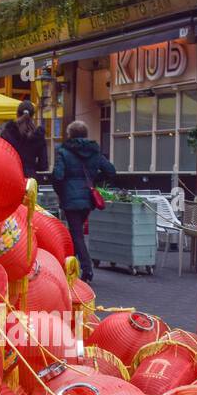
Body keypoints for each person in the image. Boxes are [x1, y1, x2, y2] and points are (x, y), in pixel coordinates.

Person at [51, 120, 116, 283]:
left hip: (70, 198)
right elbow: (110, 171)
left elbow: (58, 176)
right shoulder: (94, 151)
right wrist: (93, 180)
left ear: (70, 134)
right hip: (87, 198)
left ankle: (87, 269)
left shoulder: (64, 152)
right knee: (76, 232)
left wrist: (62, 191)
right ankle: (69, 266)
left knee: (76, 234)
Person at [0, 100, 47, 179]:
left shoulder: (7, 133)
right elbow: (43, 164)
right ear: (33, 116)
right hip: (30, 178)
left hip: (10, 175)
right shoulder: (38, 136)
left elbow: (1, 157)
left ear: (17, 114)